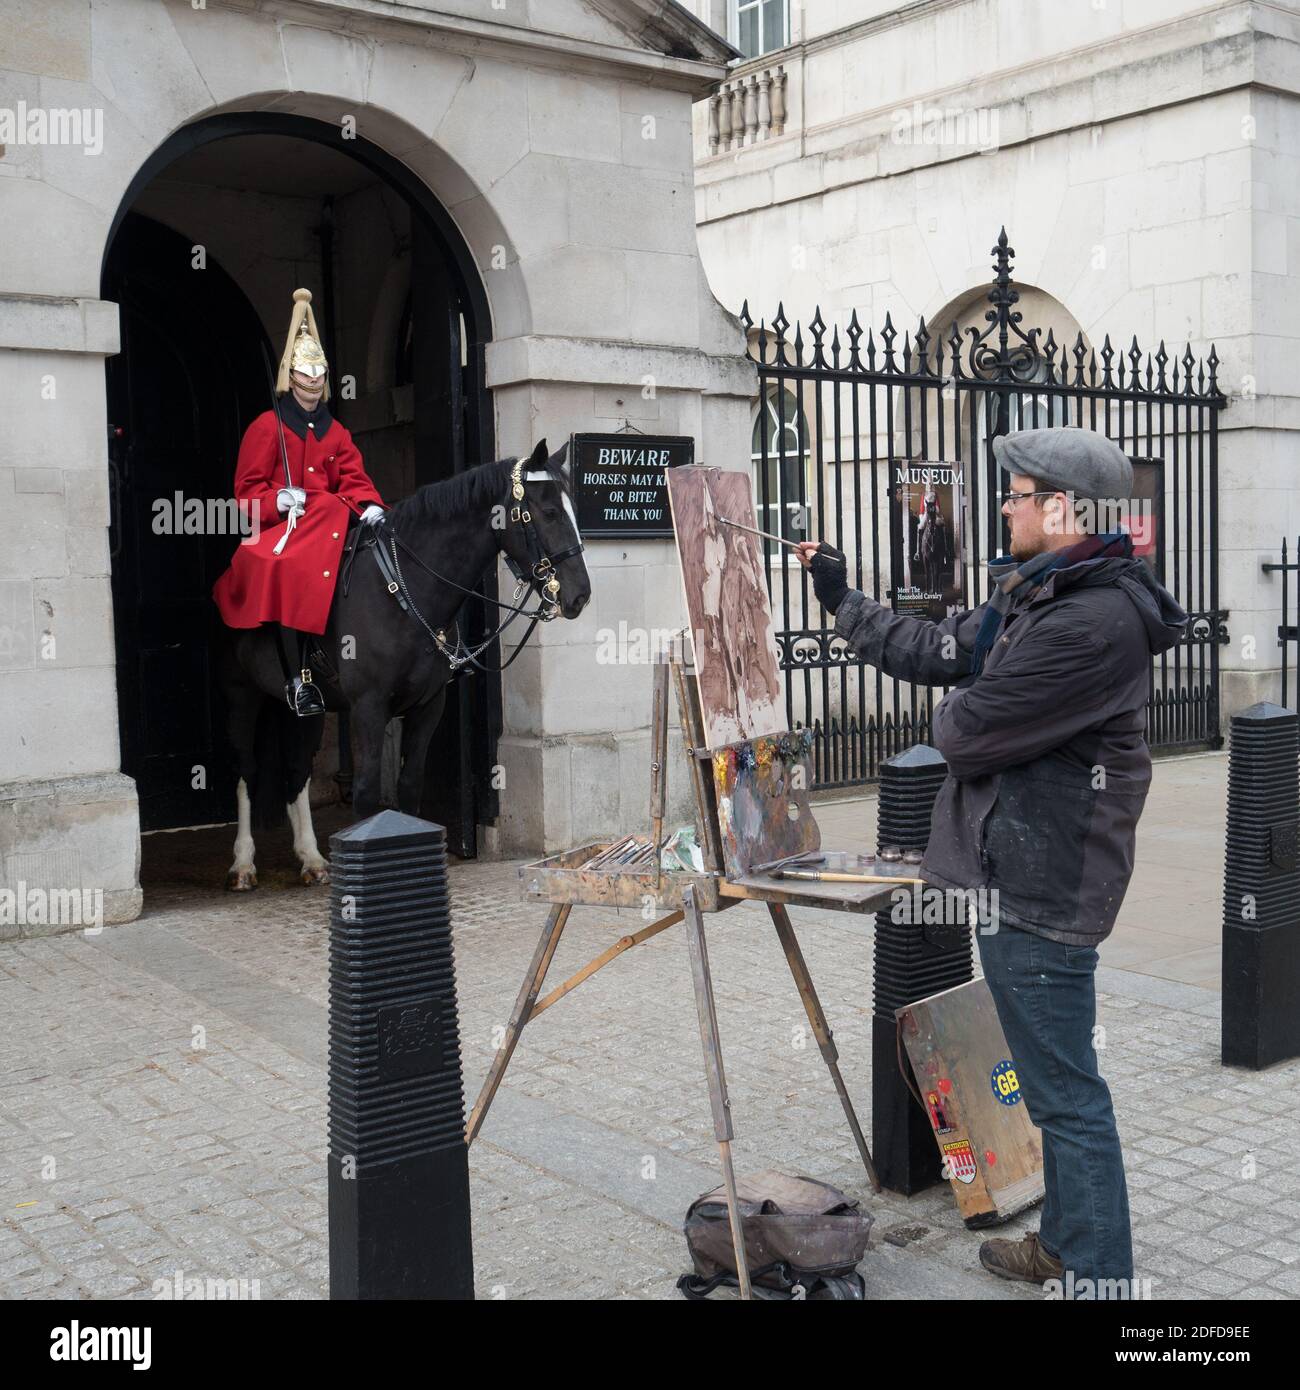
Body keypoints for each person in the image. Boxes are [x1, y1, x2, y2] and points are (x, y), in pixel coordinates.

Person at [796, 426, 1186, 1296]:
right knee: (1055, 1087)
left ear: (1061, 509)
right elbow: (937, 652)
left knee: (1067, 1096)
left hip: (1046, 885)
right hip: (1014, 870)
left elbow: (960, 731)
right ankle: (1068, 1245)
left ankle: (1098, 1276)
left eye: (1015, 496)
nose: (1001, 508)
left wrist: (971, 697)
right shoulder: (1039, 594)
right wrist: (844, 598)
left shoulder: (1089, 622)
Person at [213, 288, 387, 715]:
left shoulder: (337, 432)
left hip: (329, 522)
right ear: (291, 377)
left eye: (319, 373)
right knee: (285, 568)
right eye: (306, 373)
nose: (314, 381)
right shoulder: (266, 427)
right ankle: (298, 679)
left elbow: (354, 480)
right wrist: (278, 500)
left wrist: (370, 506)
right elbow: (246, 495)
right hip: (283, 530)